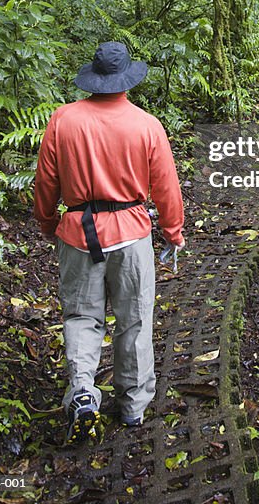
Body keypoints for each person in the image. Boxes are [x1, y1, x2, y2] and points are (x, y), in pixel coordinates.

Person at [34, 41, 185, 444]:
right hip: (132, 235)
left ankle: (83, 389)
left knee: (82, 318)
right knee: (133, 319)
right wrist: (173, 231)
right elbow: (166, 187)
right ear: (126, 80)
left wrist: (49, 223)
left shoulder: (62, 120)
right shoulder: (146, 125)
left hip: (77, 233)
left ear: (93, 78)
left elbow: (45, 183)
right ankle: (133, 405)